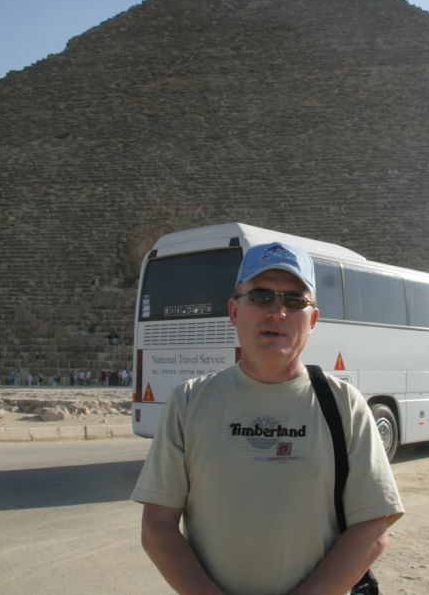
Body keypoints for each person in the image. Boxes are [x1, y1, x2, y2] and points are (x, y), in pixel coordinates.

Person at [131, 242, 404, 595]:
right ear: (234, 311)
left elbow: (372, 530)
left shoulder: (345, 405)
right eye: (261, 296)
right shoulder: (188, 401)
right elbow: (157, 525)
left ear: (313, 320)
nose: (277, 311)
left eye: (294, 300)